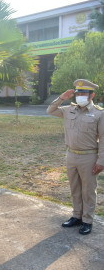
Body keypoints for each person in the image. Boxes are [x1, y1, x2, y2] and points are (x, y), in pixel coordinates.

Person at [47, 79, 104, 235]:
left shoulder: (99, 113)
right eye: (78, 93)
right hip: (71, 155)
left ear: (91, 95)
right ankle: (77, 216)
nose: (80, 96)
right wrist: (62, 98)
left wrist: (101, 161)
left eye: (83, 93)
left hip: (89, 157)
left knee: (88, 191)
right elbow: (50, 110)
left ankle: (87, 221)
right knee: (75, 188)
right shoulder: (68, 110)